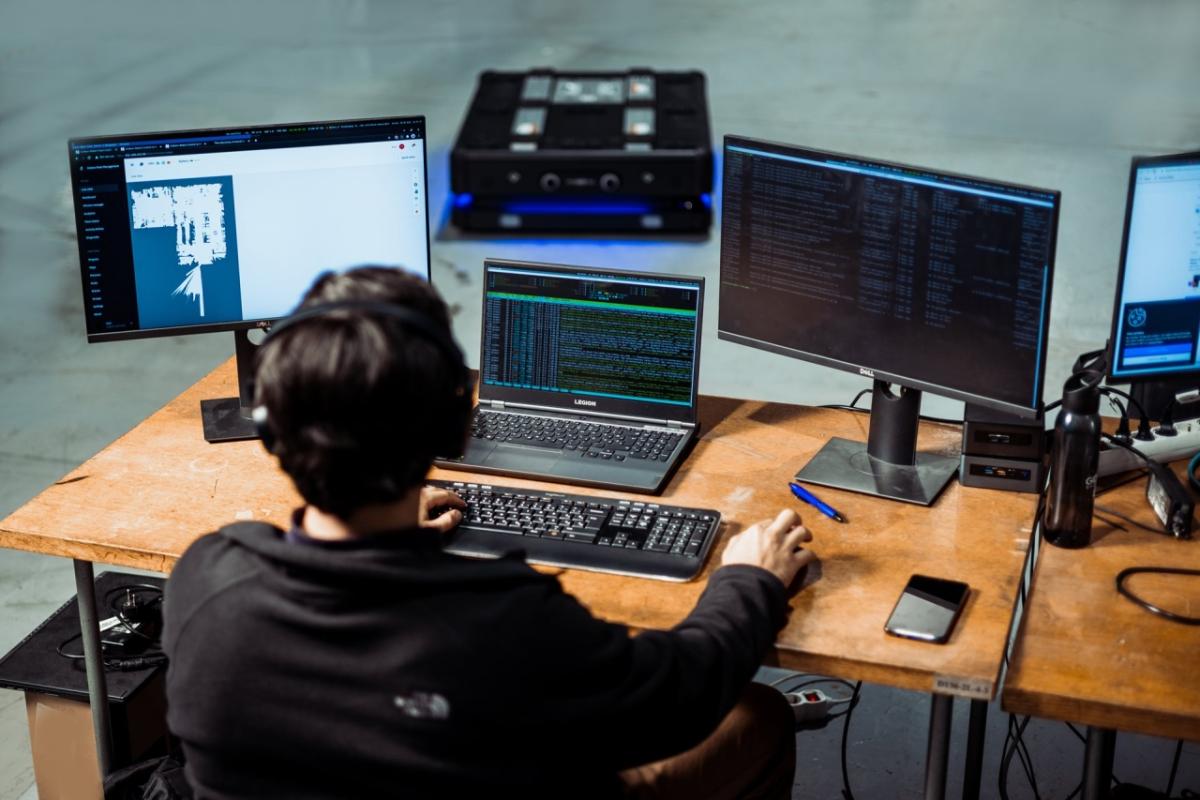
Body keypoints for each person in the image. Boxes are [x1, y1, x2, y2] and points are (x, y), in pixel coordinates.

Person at [162, 266, 816, 799]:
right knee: (756, 719)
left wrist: (387, 538)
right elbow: (678, 696)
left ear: (273, 429)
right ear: (455, 434)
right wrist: (749, 583)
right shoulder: (503, 620)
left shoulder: (205, 584)